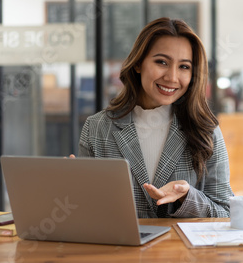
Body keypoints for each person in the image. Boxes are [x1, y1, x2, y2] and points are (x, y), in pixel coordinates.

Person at [77, 17, 233, 218]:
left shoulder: (205, 130)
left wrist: (187, 198)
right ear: (138, 63)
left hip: (181, 250)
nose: (172, 77)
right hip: (121, 249)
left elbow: (225, 212)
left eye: (184, 66)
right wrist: (74, 193)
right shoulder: (97, 128)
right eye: (162, 62)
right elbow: (85, 214)